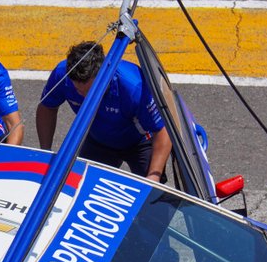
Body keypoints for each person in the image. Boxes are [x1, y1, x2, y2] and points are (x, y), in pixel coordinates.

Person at [36, 41, 171, 182]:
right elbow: (47, 107)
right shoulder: (62, 75)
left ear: (105, 75)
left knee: (152, 194)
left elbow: (162, 129)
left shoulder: (134, 87)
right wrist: (45, 151)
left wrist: (153, 176)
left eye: (90, 91)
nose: (84, 96)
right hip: (99, 141)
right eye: (78, 90)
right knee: (79, 185)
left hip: (140, 142)